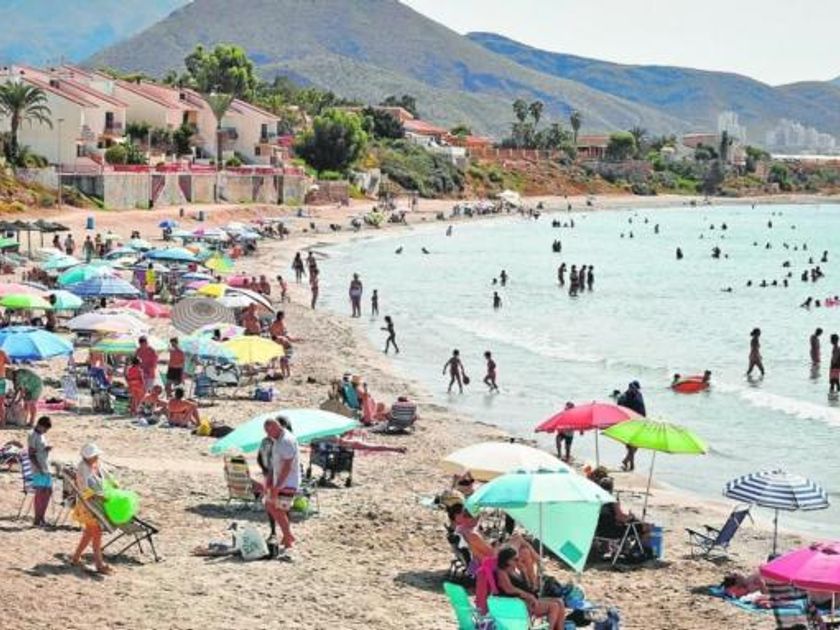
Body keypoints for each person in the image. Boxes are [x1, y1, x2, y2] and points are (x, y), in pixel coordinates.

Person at [495, 546, 566, 630]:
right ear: (507, 560)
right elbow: (509, 589)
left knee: (560, 602)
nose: (518, 561)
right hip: (518, 603)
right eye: (515, 559)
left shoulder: (515, 570)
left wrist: (524, 572)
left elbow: (528, 586)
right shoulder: (501, 571)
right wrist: (529, 596)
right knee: (554, 606)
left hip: (525, 600)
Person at [70, 442, 113, 575]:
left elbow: (107, 476)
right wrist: (98, 496)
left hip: (97, 504)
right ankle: (99, 565)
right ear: (87, 457)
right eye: (94, 456)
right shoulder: (82, 468)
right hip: (88, 505)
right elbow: (83, 488)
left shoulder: (96, 464)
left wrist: (114, 484)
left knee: (89, 533)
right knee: (96, 533)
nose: (96, 457)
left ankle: (76, 558)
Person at [264, 416, 299, 549]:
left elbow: (287, 466)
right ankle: (288, 536)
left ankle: (288, 539)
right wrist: (270, 480)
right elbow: (276, 463)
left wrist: (278, 486)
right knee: (271, 505)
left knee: (277, 508)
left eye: (269, 432)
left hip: (288, 482)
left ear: (276, 427)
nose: (268, 435)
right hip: (280, 480)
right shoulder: (278, 439)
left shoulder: (286, 441)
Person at [28, 416, 53, 527]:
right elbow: (31, 455)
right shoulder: (32, 435)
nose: (46, 431)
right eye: (45, 429)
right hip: (39, 468)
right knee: (40, 493)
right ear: (40, 425)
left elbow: (39, 450)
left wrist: (46, 449)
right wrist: (39, 468)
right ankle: (37, 519)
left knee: (48, 492)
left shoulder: (41, 435)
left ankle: (42, 517)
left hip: (46, 467)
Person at [617, 382, 645, 471]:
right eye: (634, 389)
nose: (636, 390)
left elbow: (642, 409)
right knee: (631, 445)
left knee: (636, 444)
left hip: (638, 422)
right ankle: (631, 464)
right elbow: (619, 408)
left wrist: (644, 421)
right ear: (630, 388)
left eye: (637, 389)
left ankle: (627, 461)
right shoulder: (624, 397)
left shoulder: (638, 395)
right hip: (627, 423)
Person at [0, 347, 8, 426]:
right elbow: (9, 362)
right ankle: (3, 422)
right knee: (1, 403)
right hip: (1, 379)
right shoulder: (2, 352)